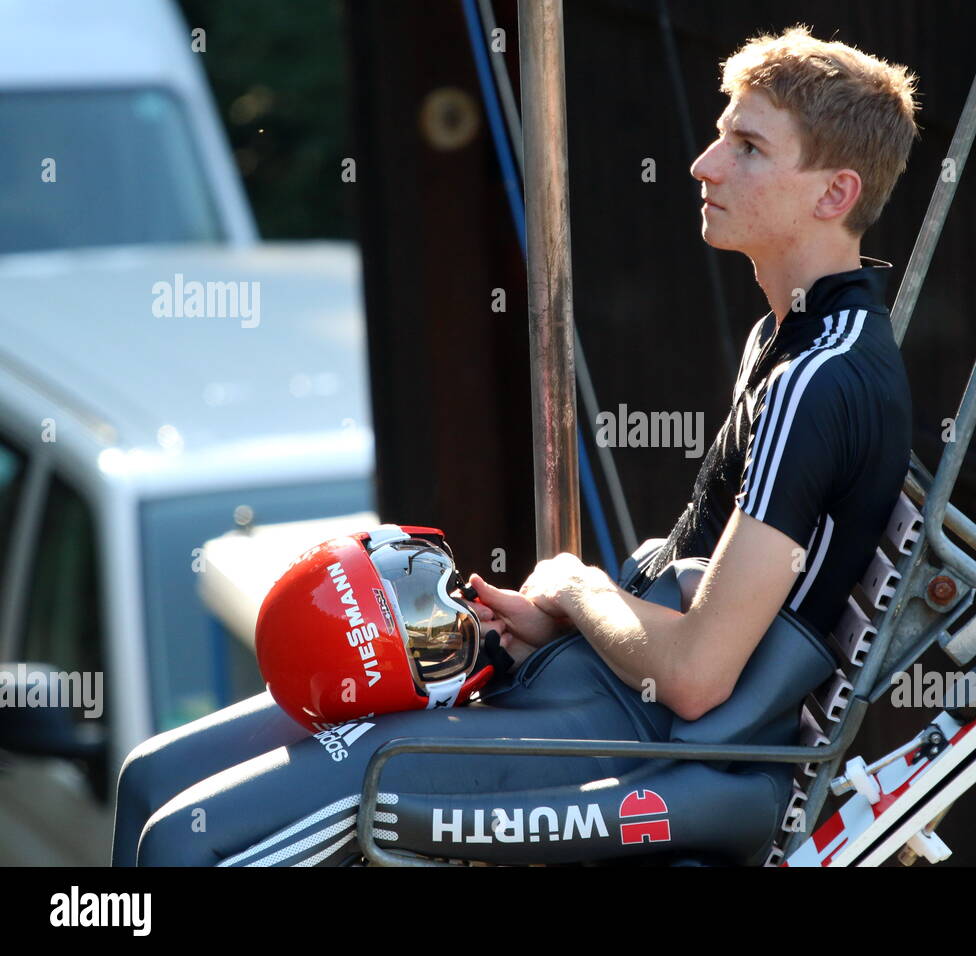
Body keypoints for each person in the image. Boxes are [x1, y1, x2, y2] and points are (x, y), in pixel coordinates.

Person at [111, 24, 919, 866]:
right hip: (600, 692)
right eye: (721, 133)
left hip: (646, 739)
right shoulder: (788, 341)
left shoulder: (822, 379)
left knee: (181, 843)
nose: (704, 164)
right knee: (147, 775)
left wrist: (576, 588)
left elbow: (695, 676)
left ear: (834, 195)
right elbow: (695, 585)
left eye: (747, 146)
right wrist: (562, 624)